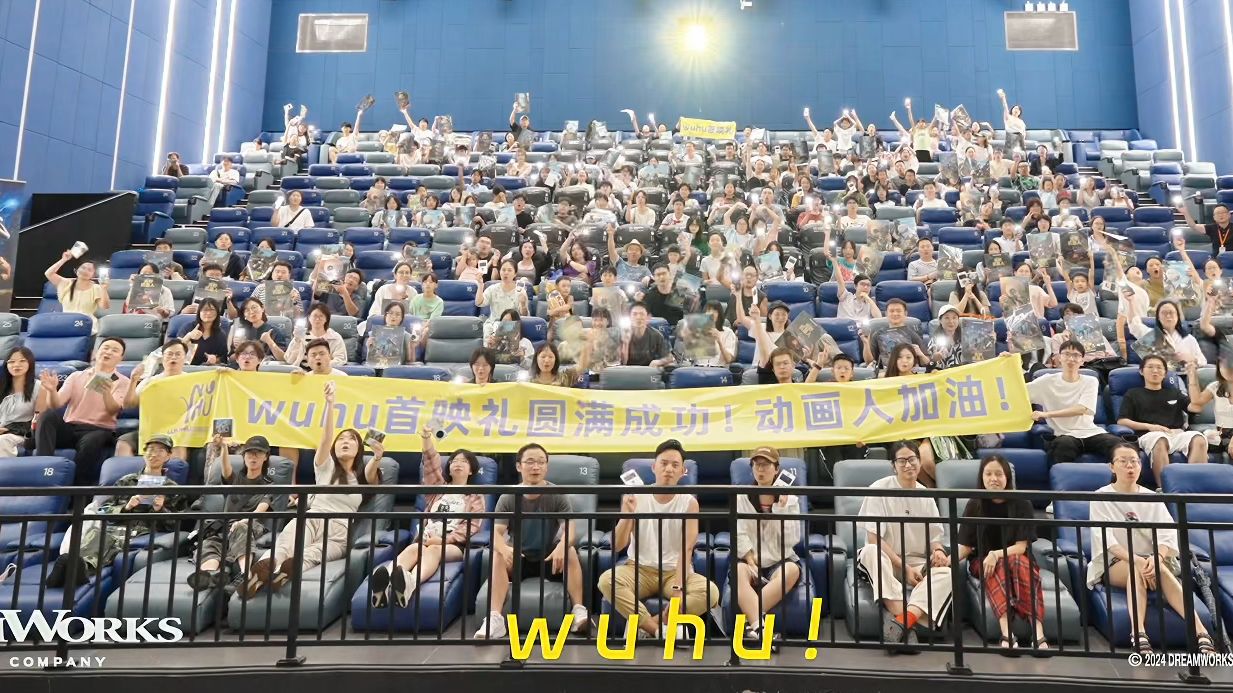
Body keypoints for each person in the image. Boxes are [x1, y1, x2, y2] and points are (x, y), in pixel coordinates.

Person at [244, 382, 382, 597]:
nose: (345, 442)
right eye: (341, 439)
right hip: (312, 518)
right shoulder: (325, 465)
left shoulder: (363, 476)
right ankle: (258, 574)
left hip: (339, 532)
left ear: (359, 448)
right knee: (285, 544)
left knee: (312, 554)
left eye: (351, 439)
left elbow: (372, 471)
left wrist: (378, 456)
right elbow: (326, 437)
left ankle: (282, 573)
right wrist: (330, 404)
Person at [1087, 442, 1219, 656]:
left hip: (1153, 561)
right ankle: (1139, 634)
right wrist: (1138, 560)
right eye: (1123, 461)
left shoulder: (1152, 497)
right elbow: (1107, 542)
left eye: (1134, 461)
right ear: (1112, 467)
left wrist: (1156, 557)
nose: (1130, 466)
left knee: (1159, 568)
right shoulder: (1101, 496)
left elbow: (1168, 535)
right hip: (1116, 564)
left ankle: (1200, 632)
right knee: (1137, 569)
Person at [598, 439, 719, 639]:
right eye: (664, 463)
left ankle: (647, 624)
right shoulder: (636, 496)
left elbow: (687, 549)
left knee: (710, 592)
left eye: (675, 465)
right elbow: (617, 545)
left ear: (683, 472)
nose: (669, 469)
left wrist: (678, 589)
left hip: (673, 573)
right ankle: (656, 630)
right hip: (638, 569)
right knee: (606, 581)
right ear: (654, 467)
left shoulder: (689, 503)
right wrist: (627, 514)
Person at [474, 443, 589, 639]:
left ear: (546, 466)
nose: (536, 467)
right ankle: (495, 619)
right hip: (519, 556)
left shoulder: (557, 494)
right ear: (519, 466)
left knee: (569, 550)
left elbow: (570, 530)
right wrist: (504, 549)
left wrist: (562, 546)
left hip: (550, 557)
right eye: (530, 462)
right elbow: (496, 533)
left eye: (541, 462)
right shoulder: (509, 497)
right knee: (498, 553)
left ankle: (579, 611)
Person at [46, 433, 189, 588]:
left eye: (160, 450)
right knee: (96, 534)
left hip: (142, 531)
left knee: (110, 541)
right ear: (143, 453)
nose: (154, 454)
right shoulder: (126, 481)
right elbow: (104, 511)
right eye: (151, 449)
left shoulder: (173, 489)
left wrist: (160, 510)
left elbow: (178, 525)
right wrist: (127, 506)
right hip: (115, 526)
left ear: (168, 456)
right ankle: (74, 568)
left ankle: (78, 568)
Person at [369, 425, 484, 608]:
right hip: (424, 540)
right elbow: (431, 463)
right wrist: (426, 438)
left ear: (471, 470)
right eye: (454, 461)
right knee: (413, 548)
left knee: (433, 550)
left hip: (453, 546)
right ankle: (384, 582)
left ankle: (410, 583)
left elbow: (472, 526)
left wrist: (444, 540)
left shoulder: (475, 496)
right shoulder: (437, 489)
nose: (458, 463)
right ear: (449, 468)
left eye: (464, 461)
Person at [856, 440, 953, 652]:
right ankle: (908, 629)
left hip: (916, 563)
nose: (908, 465)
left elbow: (934, 538)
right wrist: (904, 567)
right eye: (902, 461)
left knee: (947, 572)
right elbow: (874, 539)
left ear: (920, 462)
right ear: (894, 465)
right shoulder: (879, 489)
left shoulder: (926, 495)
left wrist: (938, 550)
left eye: (912, 459)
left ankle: (901, 622)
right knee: (871, 552)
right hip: (886, 561)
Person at [956, 455, 1047, 653]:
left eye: (998, 474)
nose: (993, 479)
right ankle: (1008, 631)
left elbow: (1021, 547)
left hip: (1017, 559)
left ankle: (1037, 632)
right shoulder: (974, 504)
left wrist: (996, 554)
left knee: (1014, 560)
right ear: (982, 477)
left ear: (1007, 477)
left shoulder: (1022, 503)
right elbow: (966, 547)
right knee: (1001, 565)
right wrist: (947, 561)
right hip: (983, 562)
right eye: (988, 474)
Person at [35, 338, 129, 484]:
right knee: (47, 415)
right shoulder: (76, 376)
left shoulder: (123, 381)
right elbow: (55, 404)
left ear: (121, 358)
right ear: (96, 352)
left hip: (99, 429)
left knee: (93, 440)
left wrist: (106, 392)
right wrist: (52, 390)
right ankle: (43, 469)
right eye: (105, 348)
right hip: (71, 426)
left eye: (114, 350)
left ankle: (77, 488)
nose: (109, 352)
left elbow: (113, 410)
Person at [188, 434, 275, 592]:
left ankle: (245, 575)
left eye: (258, 453)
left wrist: (244, 521)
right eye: (249, 453)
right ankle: (209, 575)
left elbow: (259, 510)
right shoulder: (235, 479)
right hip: (226, 526)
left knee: (241, 528)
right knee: (210, 543)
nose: (253, 457)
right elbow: (226, 468)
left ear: (266, 457)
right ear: (244, 456)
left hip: (250, 524)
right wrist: (223, 447)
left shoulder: (269, 485)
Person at [735, 446, 802, 642]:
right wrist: (750, 560)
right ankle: (760, 628)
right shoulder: (742, 497)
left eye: (765, 465)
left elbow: (791, 540)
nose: (760, 469)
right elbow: (739, 532)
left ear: (776, 469)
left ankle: (753, 621)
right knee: (739, 571)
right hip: (751, 559)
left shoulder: (791, 500)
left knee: (792, 570)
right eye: (756, 465)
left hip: (780, 561)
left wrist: (780, 509)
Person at [1029, 340, 1124, 463]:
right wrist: (1009, 363)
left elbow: (1082, 409)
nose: (1071, 359)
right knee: (1062, 447)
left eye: (1076, 355)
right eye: (1066, 354)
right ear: (1059, 357)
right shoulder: (1045, 381)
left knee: (1120, 448)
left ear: (1082, 360)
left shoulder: (1090, 381)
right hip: (1065, 435)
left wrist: (1046, 414)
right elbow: (1018, 392)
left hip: (1091, 432)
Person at [1117, 354, 1207, 480]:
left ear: (1165, 373)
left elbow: (1196, 408)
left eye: (1159, 368)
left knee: (1199, 439)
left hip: (1176, 433)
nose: (1155, 370)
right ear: (1141, 371)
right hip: (1149, 435)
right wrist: (1150, 427)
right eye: (1150, 367)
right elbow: (1122, 421)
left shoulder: (1174, 393)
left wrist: (1192, 377)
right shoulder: (1133, 393)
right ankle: (1165, 488)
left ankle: (1195, 485)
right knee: (1159, 440)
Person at [45, 248, 109, 332]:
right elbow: (48, 273)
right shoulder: (66, 283)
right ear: (77, 270)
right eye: (83, 268)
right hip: (66, 323)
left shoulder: (96, 288)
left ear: (93, 275)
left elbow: (104, 306)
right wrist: (63, 260)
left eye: (89, 270)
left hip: (86, 325)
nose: (85, 271)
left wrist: (104, 289)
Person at [0, 347, 44, 458]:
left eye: (22, 361)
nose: (16, 365)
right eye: (11, 362)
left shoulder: (39, 387)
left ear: (30, 363)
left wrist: (9, 430)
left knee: (2, 441)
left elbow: (39, 420)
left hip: (20, 434)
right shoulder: (1, 386)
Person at [863, 298, 927, 369]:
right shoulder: (878, 334)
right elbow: (869, 362)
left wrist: (921, 355)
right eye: (891, 311)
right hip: (886, 373)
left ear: (905, 314)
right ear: (886, 314)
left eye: (898, 311)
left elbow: (926, 363)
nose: (895, 314)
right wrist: (866, 343)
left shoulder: (912, 334)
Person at [285, 303, 348, 368]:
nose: (317, 319)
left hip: (325, 371)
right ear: (309, 318)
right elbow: (289, 360)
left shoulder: (335, 337)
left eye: (321, 316)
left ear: (326, 319)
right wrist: (297, 340)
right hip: (301, 371)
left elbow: (341, 359)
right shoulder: (301, 335)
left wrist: (320, 365)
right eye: (315, 316)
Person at [622, 302, 671, 368]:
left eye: (642, 314)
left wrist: (659, 362)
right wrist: (626, 344)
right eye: (634, 314)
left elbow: (669, 357)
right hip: (626, 371)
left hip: (648, 371)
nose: (638, 317)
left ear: (648, 317)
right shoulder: (622, 334)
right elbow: (622, 363)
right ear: (629, 317)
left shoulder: (656, 335)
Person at [184, 298, 229, 366]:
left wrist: (215, 359)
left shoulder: (221, 334)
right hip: (187, 368)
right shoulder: (189, 327)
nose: (208, 313)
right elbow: (175, 347)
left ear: (217, 312)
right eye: (205, 310)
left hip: (208, 369)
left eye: (212, 310)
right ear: (199, 312)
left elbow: (223, 358)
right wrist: (189, 336)